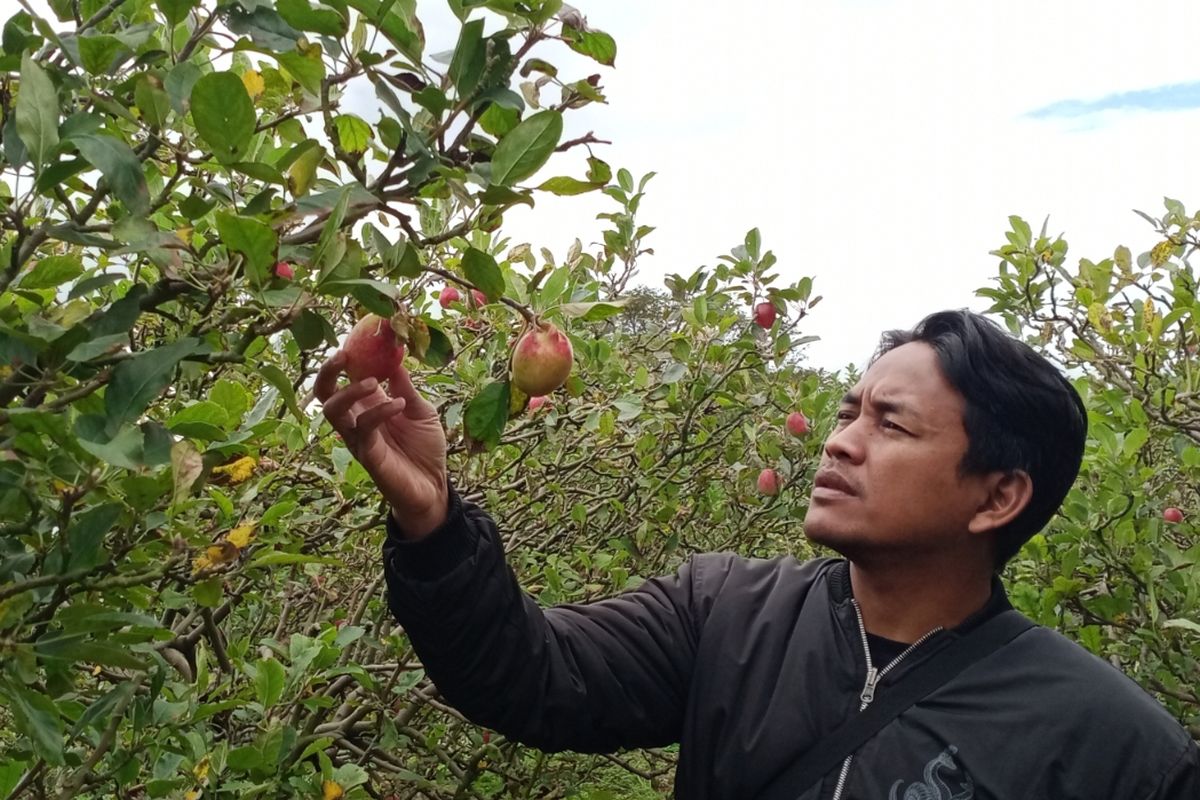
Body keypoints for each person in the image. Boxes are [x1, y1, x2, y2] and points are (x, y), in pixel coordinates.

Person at [315, 309, 1199, 799]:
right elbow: (529, 676)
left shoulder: (1116, 748)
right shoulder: (725, 613)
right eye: (849, 412)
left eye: (890, 425)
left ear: (998, 496)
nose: (840, 443)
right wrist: (434, 518)